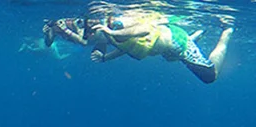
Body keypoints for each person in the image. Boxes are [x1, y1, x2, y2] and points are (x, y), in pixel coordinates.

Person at [44, 11, 234, 84]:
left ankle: (227, 31)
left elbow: (144, 30)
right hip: (168, 50)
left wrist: (114, 34)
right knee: (174, 57)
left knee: (210, 75)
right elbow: (125, 48)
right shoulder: (103, 35)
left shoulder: (114, 24)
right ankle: (197, 36)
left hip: (179, 43)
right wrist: (105, 57)